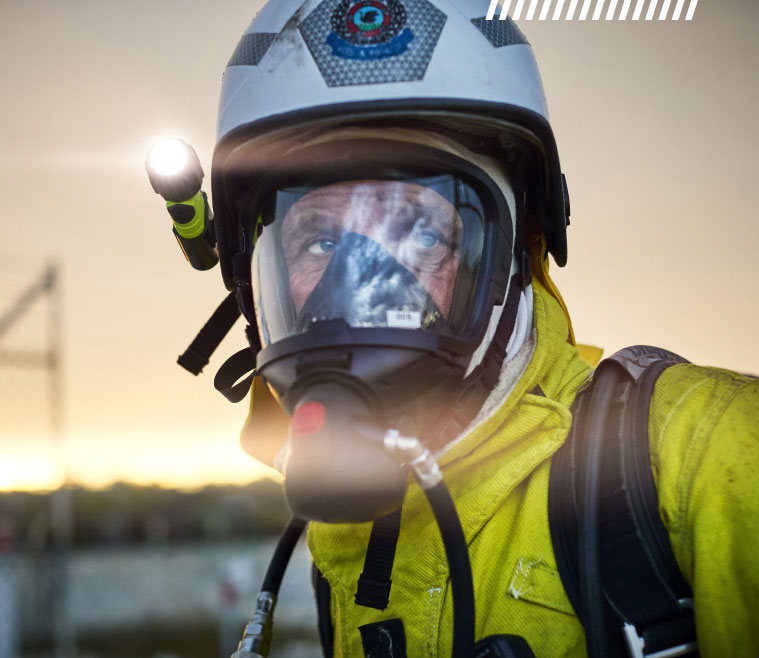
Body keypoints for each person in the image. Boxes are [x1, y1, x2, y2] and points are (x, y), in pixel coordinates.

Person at [196, 0, 758, 655]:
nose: (355, 286)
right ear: (253, 281)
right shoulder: (339, 534)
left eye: (419, 232)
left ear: (516, 251)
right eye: (318, 241)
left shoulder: (709, 454)